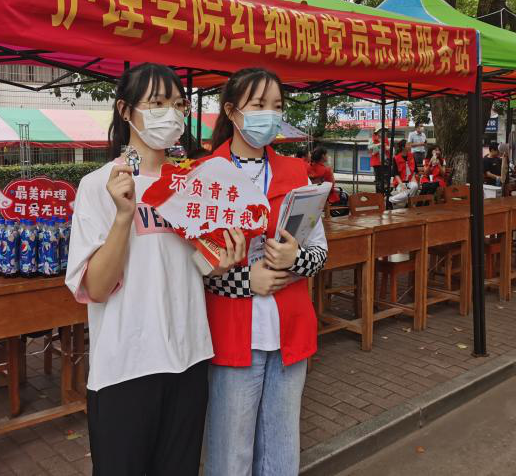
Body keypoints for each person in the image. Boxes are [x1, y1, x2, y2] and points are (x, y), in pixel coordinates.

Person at [65, 63, 237, 474]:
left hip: (189, 356)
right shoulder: (100, 185)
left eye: (178, 105)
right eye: (157, 103)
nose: (171, 114)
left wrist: (221, 261)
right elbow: (96, 288)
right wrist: (124, 217)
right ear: (125, 111)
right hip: (127, 366)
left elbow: (196, 265)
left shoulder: (193, 186)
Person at [204, 68, 328, 476]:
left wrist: (294, 259)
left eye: (276, 106)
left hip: (290, 332)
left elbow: (319, 254)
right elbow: (196, 268)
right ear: (231, 111)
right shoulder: (205, 176)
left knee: (281, 447)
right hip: (231, 334)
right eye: (258, 105)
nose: (269, 115)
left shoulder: (296, 173)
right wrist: (247, 282)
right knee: (230, 452)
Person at [368, 129, 389, 194]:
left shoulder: (385, 139)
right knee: (378, 180)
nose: (384, 132)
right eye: (382, 131)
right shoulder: (372, 139)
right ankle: (378, 195)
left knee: (385, 179)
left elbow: (387, 149)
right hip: (376, 162)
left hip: (385, 161)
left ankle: (384, 194)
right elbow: (370, 150)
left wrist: (387, 147)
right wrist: (379, 145)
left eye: (385, 131)